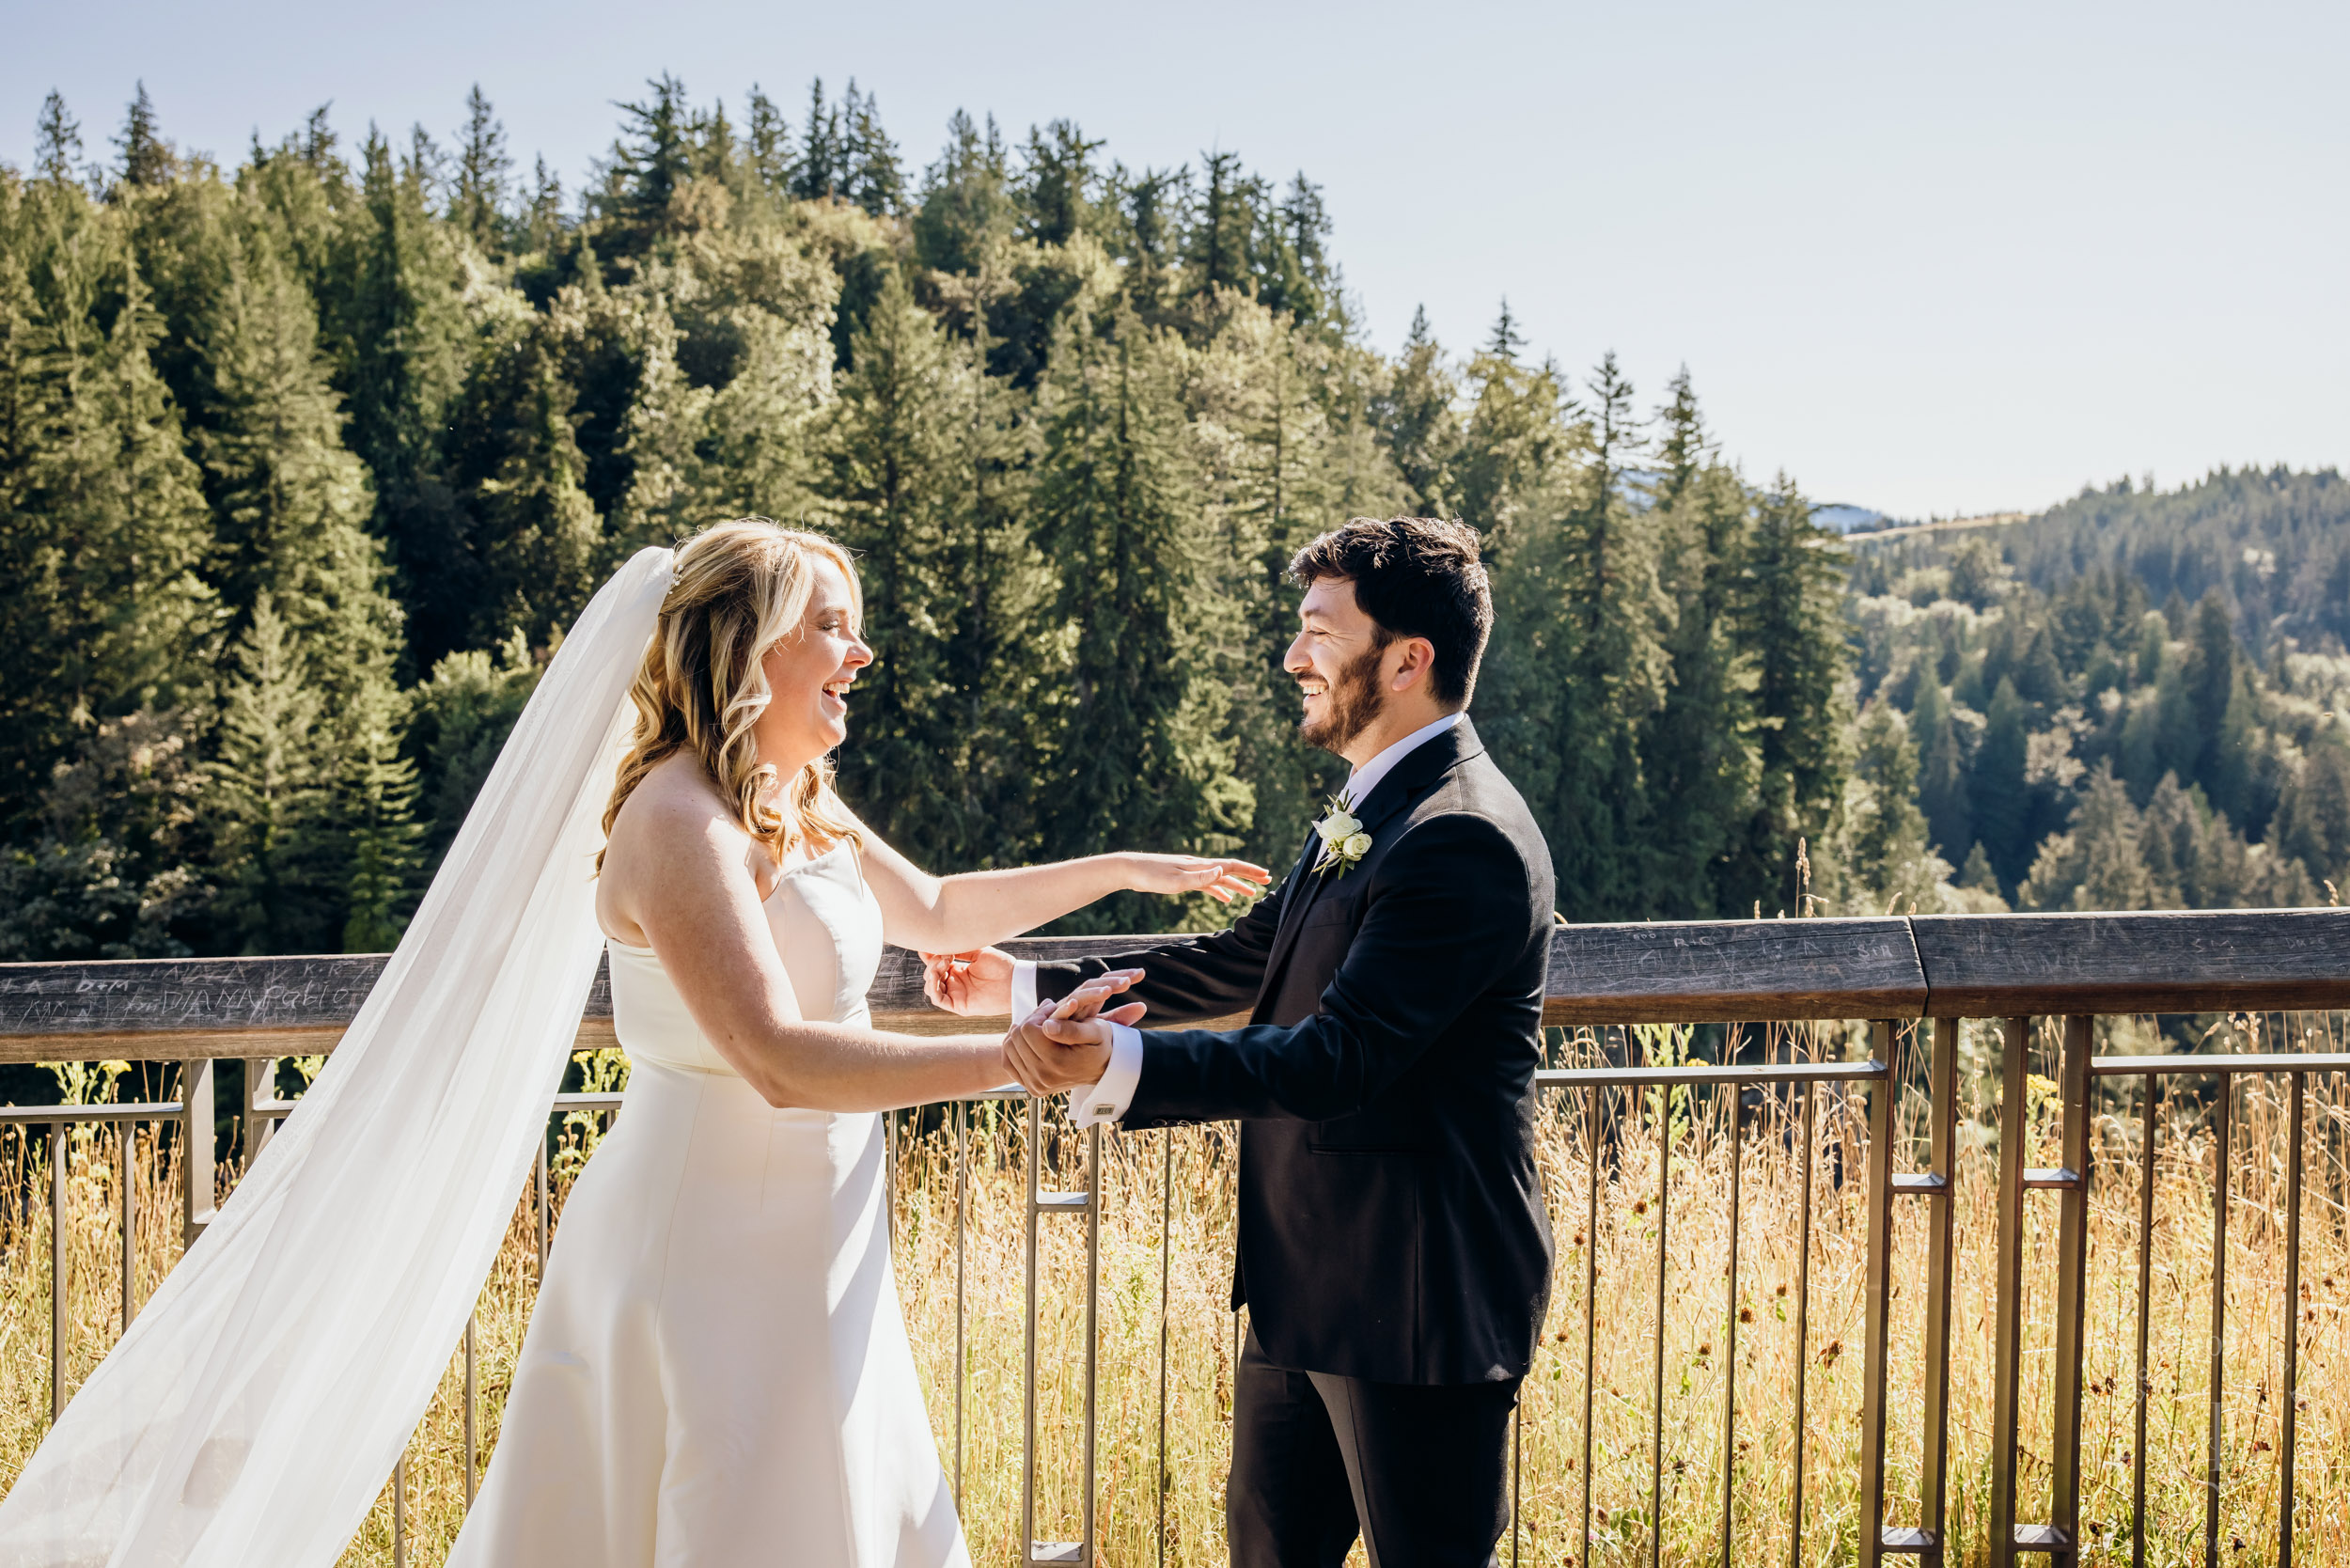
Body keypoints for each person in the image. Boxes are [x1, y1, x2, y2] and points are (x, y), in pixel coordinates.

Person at [447, 518, 1268, 1567]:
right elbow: (781, 1062)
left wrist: (1126, 868)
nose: (862, 655)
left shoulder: (797, 802)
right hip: (701, 1244)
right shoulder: (679, 822)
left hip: (816, 1236)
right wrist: (1012, 1056)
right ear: (755, 646)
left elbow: (937, 906)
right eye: (834, 627)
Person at [931, 517, 1556, 1568]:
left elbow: (1334, 1059)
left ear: (1407, 661)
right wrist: (1033, 984)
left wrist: (1119, 1065)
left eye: (1318, 631)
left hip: (1415, 1301)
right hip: (1303, 1284)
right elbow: (1244, 961)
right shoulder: (1370, 809)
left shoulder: (1463, 836)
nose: (1292, 657)